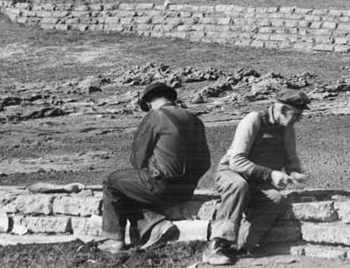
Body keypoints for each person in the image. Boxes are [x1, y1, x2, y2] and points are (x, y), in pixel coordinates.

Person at [99, 81, 211, 254]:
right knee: (130, 189)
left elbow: (137, 160)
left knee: (112, 182)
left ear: (149, 102)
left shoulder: (154, 116)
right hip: (186, 190)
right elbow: (205, 162)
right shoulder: (195, 120)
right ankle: (154, 225)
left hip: (162, 187)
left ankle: (115, 240)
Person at [204, 89, 310, 266]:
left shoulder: (287, 128)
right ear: (283, 110)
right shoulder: (253, 120)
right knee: (238, 186)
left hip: (256, 180)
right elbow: (236, 162)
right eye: (297, 114)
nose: (298, 119)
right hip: (232, 173)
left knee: (275, 199)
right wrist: (271, 174)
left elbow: (291, 158)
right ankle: (216, 245)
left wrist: (294, 172)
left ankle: (240, 246)